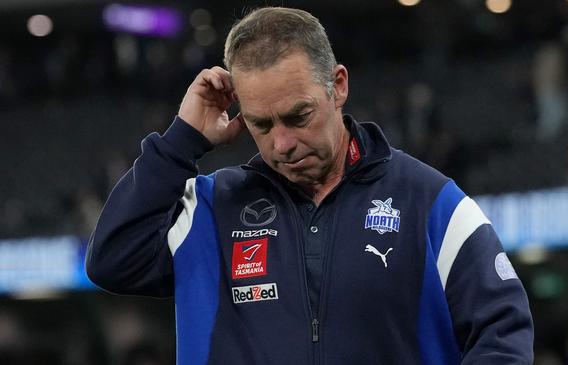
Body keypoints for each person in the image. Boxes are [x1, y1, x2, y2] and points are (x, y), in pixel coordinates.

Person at [86, 7, 534, 365]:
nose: (282, 144)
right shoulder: (208, 210)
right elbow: (112, 258)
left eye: (298, 116)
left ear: (337, 86)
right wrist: (181, 140)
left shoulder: (432, 204)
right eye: (261, 124)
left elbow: (503, 331)